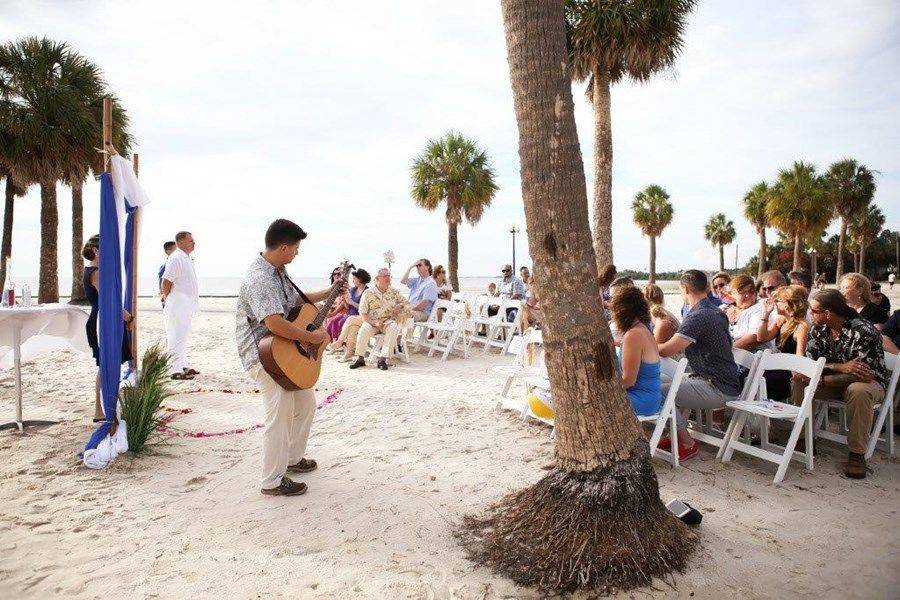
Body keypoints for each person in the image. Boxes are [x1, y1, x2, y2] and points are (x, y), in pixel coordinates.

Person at [235, 218, 343, 496]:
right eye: (296, 248)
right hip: (265, 355)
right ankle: (271, 481)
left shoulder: (276, 270)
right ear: (284, 247)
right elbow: (274, 323)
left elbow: (294, 301)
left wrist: (330, 291)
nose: (297, 252)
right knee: (280, 415)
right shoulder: (260, 278)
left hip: (281, 349)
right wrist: (312, 337)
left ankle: (292, 459)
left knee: (305, 403)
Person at [799, 289, 887, 479]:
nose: (810, 314)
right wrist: (838, 366)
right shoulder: (818, 328)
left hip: (870, 383)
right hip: (831, 381)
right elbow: (809, 364)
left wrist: (824, 379)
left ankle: (857, 454)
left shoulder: (864, 331)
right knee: (799, 380)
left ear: (827, 313)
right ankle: (802, 438)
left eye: (813, 311)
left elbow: (863, 375)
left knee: (859, 390)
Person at [658, 270, 742, 460]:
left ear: (685, 289)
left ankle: (686, 441)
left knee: (660, 392)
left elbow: (667, 350)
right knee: (662, 381)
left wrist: (645, 344)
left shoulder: (698, 316)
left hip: (718, 387)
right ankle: (673, 435)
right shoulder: (716, 311)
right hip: (722, 379)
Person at [82, 238, 133, 421]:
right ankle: (99, 410)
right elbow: (108, 301)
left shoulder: (93, 270)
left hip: (104, 318)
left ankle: (102, 409)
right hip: (102, 321)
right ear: (95, 250)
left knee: (107, 365)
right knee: (105, 365)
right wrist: (127, 316)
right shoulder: (96, 272)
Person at [611, 286, 662, 417]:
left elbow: (628, 381)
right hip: (649, 398)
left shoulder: (634, 335)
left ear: (621, 312)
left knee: (590, 400)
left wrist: (604, 388)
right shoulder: (643, 329)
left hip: (640, 399)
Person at [755, 285, 810, 400]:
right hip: (779, 366)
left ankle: (764, 412)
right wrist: (765, 314)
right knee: (751, 374)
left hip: (791, 371)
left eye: (777, 301)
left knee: (761, 378)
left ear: (787, 304)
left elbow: (800, 358)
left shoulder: (801, 326)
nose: (774, 303)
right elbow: (761, 337)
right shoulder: (781, 320)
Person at [349, 268, 411, 371]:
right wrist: (373, 322)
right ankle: (360, 358)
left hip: (388, 321)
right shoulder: (368, 293)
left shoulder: (394, 292)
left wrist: (399, 307)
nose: (388, 278)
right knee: (364, 328)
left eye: (389, 276)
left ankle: (382, 359)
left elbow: (406, 304)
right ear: (377, 279)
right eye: (385, 276)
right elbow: (363, 312)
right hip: (372, 322)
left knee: (393, 326)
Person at [160, 231, 200, 380]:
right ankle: (174, 369)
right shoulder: (176, 258)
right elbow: (166, 281)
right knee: (176, 335)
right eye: (191, 241)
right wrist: (167, 297)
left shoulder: (185, 257)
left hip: (186, 304)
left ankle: (183, 365)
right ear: (181, 242)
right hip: (178, 303)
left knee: (183, 335)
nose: (194, 243)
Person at [732, 270, 786, 350]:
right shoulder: (737, 309)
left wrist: (726, 350)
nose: (767, 292)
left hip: (753, 357)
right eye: (764, 289)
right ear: (733, 294)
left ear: (783, 286)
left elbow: (755, 338)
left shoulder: (761, 306)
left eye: (771, 288)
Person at [326, 268, 370, 353]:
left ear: (360, 279)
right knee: (333, 321)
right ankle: (334, 342)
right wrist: (345, 300)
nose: (353, 281)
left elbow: (365, 309)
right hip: (349, 314)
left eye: (354, 279)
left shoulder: (367, 291)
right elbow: (347, 306)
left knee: (340, 322)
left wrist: (352, 302)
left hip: (359, 316)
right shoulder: (353, 290)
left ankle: (340, 343)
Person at [158, 241, 176, 306]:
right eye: (176, 250)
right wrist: (164, 297)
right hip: (170, 299)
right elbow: (162, 283)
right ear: (167, 252)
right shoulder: (165, 266)